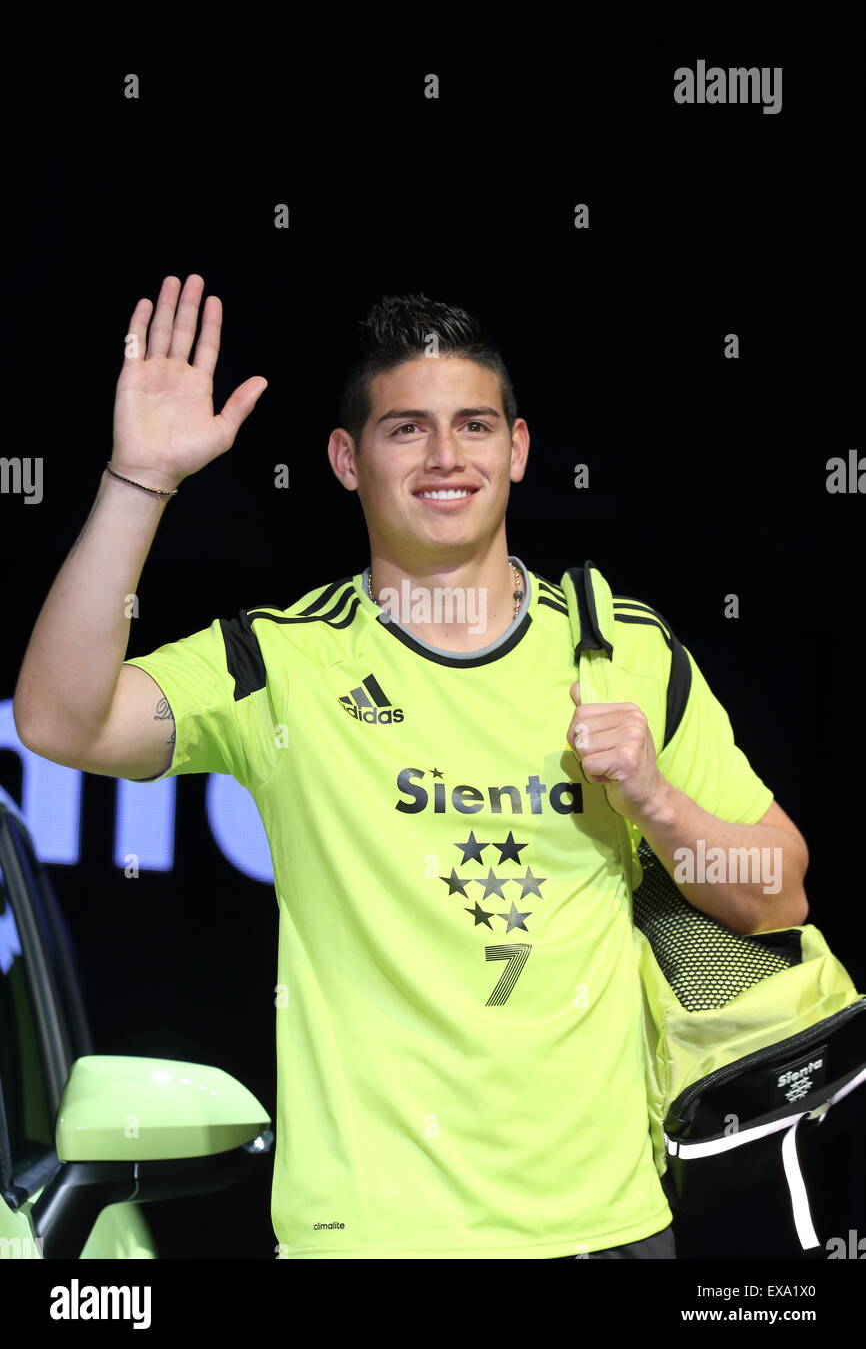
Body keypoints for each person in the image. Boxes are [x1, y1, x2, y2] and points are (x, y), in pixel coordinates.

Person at [13, 274, 810, 1260]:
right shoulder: (282, 661)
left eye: (474, 426)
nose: (445, 457)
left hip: (608, 1231)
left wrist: (651, 798)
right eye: (406, 430)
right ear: (347, 459)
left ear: (516, 451)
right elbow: (58, 721)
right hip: (370, 1238)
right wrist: (140, 482)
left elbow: (775, 896)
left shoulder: (626, 652)